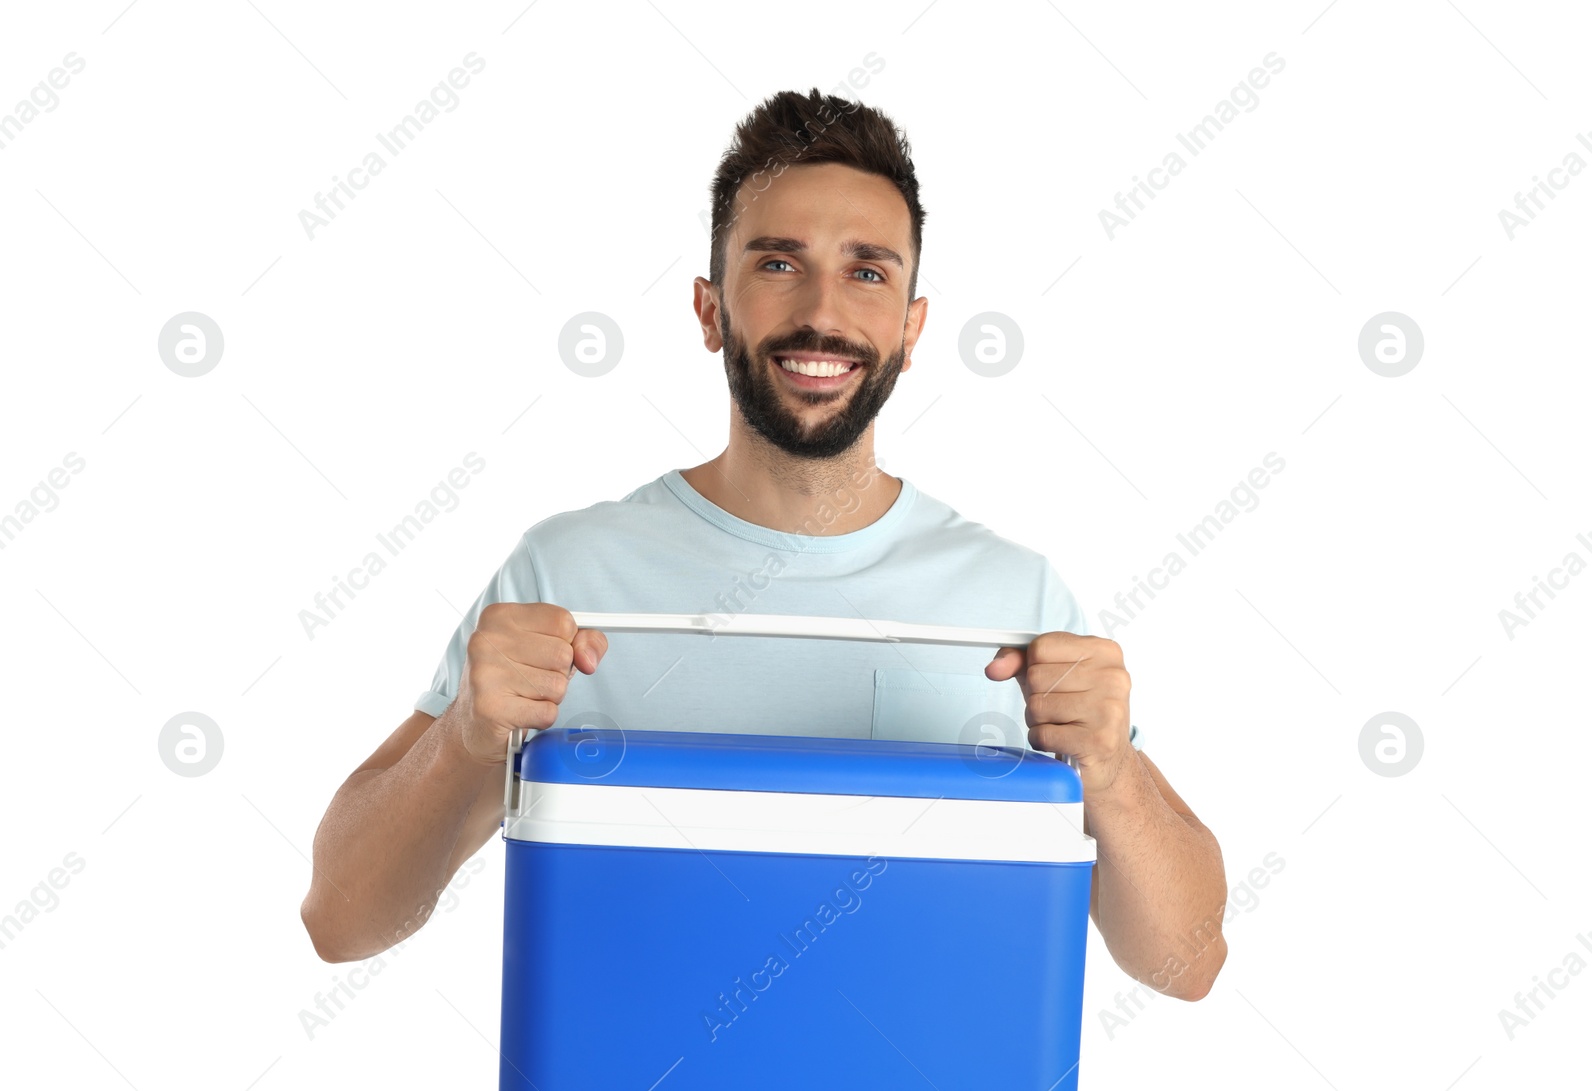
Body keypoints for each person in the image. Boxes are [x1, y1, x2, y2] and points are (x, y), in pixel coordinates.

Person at [301, 88, 1228, 1001]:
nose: (823, 312)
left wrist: (1109, 773)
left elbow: (1186, 963)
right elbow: (342, 922)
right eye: (779, 263)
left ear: (911, 328)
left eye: (868, 271)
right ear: (710, 310)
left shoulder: (1015, 598)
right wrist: (469, 734)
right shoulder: (567, 575)